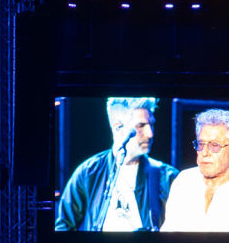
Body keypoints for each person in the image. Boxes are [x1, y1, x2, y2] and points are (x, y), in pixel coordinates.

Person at [55, 96, 179, 232]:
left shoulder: (167, 177)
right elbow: (63, 227)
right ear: (117, 127)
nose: (150, 133)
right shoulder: (88, 172)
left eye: (152, 124)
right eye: (140, 126)